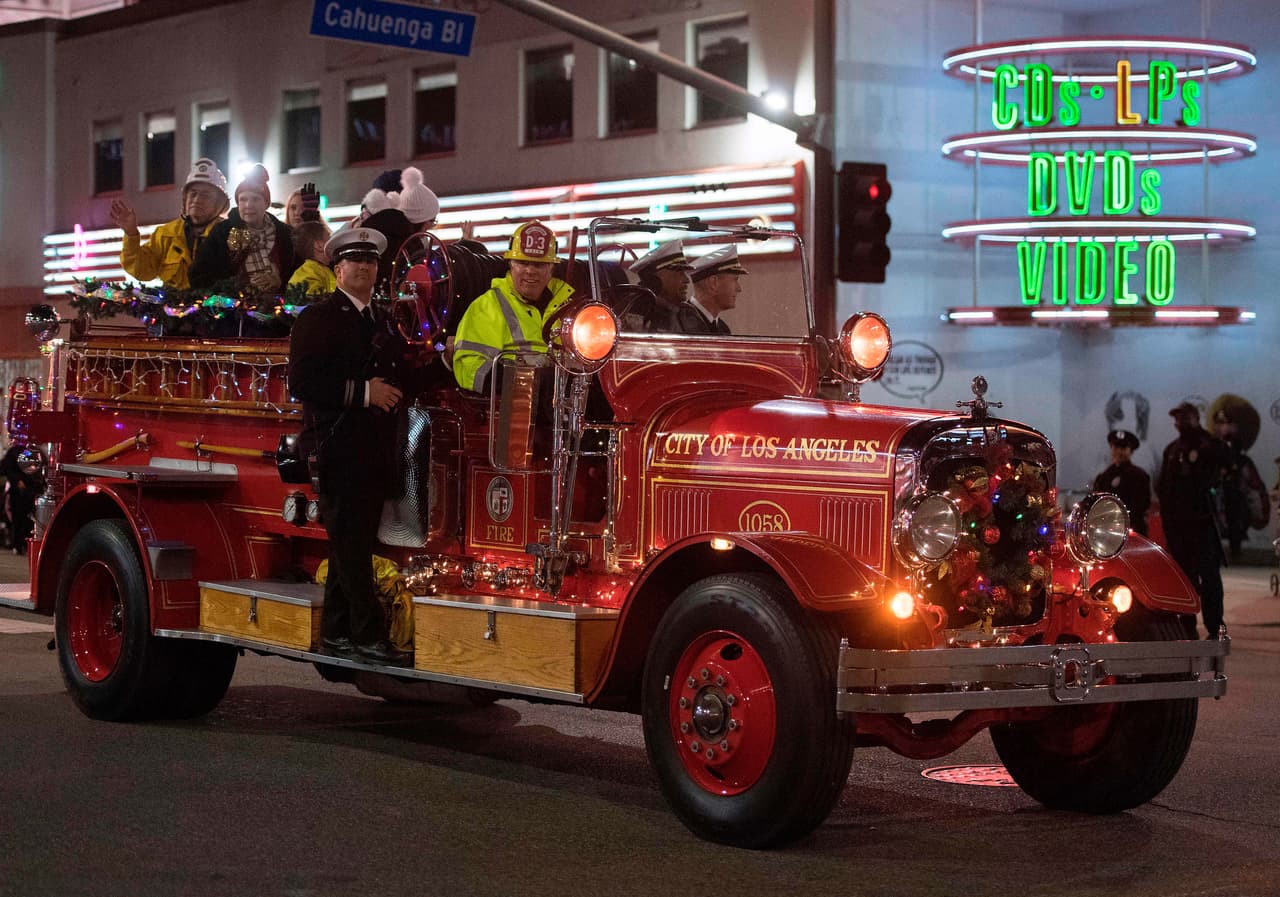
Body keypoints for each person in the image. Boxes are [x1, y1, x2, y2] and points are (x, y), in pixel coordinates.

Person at [288, 227, 419, 665]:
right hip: (336, 447)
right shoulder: (318, 318)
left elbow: (403, 373)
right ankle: (368, 636)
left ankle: (336, 633)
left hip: (373, 450)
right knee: (352, 546)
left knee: (352, 542)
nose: (364, 267)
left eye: (371, 261)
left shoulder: (381, 321)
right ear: (337, 268)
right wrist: (365, 394)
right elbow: (303, 382)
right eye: (354, 261)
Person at [452, 220, 574, 393]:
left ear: (551, 268)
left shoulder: (570, 309)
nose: (530, 270)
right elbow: (468, 366)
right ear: (510, 264)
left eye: (539, 265)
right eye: (523, 263)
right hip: (509, 408)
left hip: (564, 407)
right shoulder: (487, 307)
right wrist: (519, 381)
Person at [1156, 402, 1233, 638]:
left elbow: (1227, 461)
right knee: (1184, 581)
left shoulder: (1209, 445)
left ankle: (1214, 626)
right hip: (1179, 529)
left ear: (1194, 418)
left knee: (1209, 579)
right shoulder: (1171, 450)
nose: (1178, 422)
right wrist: (1168, 526)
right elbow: (1164, 489)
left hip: (1203, 525)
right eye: (1176, 418)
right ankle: (1187, 628)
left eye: (1182, 417)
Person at [109, 157, 230, 289]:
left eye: (205, 195)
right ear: (185, 199)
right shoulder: (166, 234)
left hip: (216, 308)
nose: (197, 199)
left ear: (219, 203)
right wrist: (131, 234)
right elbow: (142, 271)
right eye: (193, 194)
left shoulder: (228, 234)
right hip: (174, 309)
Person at [189, 164, 297, 295]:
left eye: (256, 199)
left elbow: (299, 277)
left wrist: (280, 283)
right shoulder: (222, 232)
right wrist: (237, 288)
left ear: (266, 204)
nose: (248, 205)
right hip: (233, 311)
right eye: (243, 199)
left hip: (279, 308)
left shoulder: (285, 234)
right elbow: (198, 276)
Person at [675, 245, 747, 335]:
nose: (739, 288)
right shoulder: (680, 323)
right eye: (735, 280)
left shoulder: (723, 328)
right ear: (714, 283)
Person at [1093, 429, 1151, 537]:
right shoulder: (1104, 476)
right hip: (1107, 533)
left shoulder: (1139, 475)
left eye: (1123, 448)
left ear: (1131, 451)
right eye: (1115, 448)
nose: (1118, 452)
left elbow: (1140, 506)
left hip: (1132, 531)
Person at [627, 239, 692, 331]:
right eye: (679, 273)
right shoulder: (639, 311)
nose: (686, 280)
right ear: (656, 279)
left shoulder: (686, 313)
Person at [1, 443, 44, 555]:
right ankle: (18, 544)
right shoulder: (15, 451)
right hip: (18, 492)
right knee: (18, 519)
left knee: (27, 520)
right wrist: (17, 481)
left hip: (29, 491)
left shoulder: (35, 451)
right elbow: (7, 468)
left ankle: (24, 544)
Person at [287, 221, 335, 296]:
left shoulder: (323, 269)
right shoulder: (307, 277)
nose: (333, 241)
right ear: (319, 245)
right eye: (329, 236)